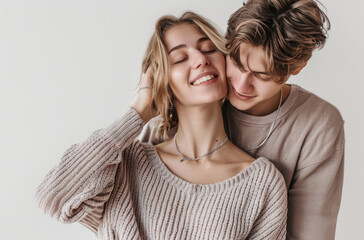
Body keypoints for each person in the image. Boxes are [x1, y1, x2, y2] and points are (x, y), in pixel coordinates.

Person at [36, 12, 287, 239]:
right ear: (161, 81)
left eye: (209, 49)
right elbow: (53, 197)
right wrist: (139, 112)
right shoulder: (127, 166)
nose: (200, 59)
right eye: (180, 58)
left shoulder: (261, 183)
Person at [140, 1, 344, 239]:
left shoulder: (318, 125)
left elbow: (310, 234)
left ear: (297, 67)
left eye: (261, 75)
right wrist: (141, 110)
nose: (240, 84)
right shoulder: (168, 127)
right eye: (236, 62)